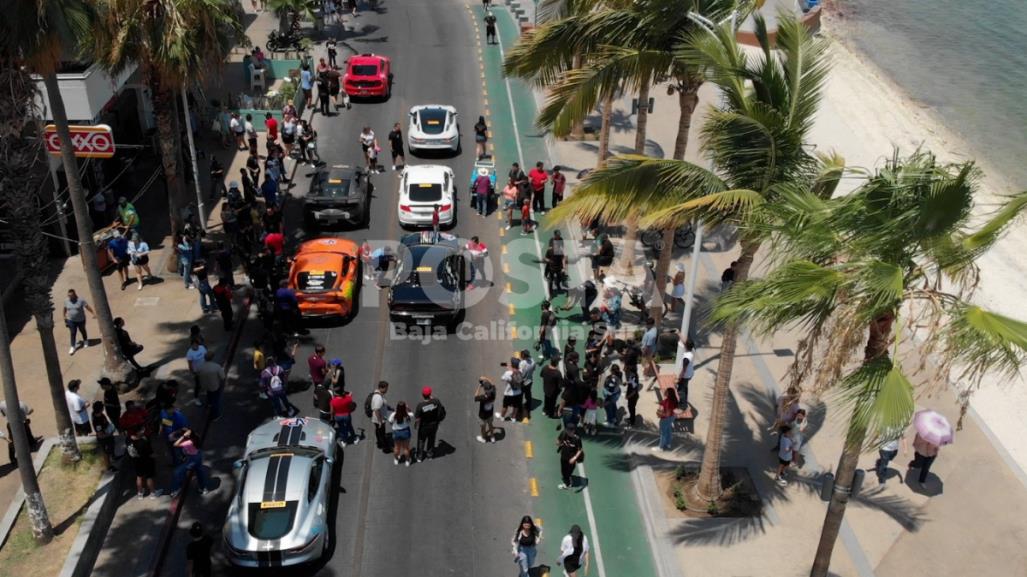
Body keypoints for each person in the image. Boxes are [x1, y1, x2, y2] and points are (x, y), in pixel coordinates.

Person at [168, 428, 212, 497]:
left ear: (187, 436)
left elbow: (175, 444)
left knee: (177, 472)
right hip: (197, 455)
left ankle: (176, 489)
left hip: (192, 459)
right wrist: (186, 431)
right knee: (199, 472)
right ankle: (203, 488)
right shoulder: (195, 437)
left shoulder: (188, 442)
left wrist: (183, 437)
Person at [414, 386, 446, 461]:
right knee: (431, 439)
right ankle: (429, 455)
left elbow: (417, 418)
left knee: (421, 440)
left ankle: (419, 456)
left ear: (422, 395)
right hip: (434, 425)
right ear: (430, 394)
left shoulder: (420, 405)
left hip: (424, 426)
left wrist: (416, 425)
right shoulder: (436, 401)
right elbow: (440, 410)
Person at [126, 426, 157, 498]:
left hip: (136, 461)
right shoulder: (144, 440)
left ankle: (140, 494)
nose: (144, 431)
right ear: (137, 432)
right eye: (142, 430)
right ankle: (152, 493)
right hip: (146, 461)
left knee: (139, 477)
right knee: (149, 477)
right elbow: (150, 453)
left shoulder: (128, 439)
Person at [195, 350, 226, 420]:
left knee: (209, 394)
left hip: (205, 385)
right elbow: (223, 377)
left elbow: (197, 375)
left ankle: (209, 404)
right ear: (212, 358)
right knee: (216, 401)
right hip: (214, 386)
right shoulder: (216, 367)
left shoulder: (200, 366)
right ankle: (215, 415)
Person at [64, 289, 95, 355]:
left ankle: (85, 340)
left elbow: (87, 307)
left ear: (75, 294)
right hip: (71, 320)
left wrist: (93, 313)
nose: (70, 297)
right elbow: (64, 309)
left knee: (82, 330)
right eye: (69, 296)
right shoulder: (66, 301)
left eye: (71, 296)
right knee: (72, 332)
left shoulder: (81, 300)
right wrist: (64, 317)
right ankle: (73, 346)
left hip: (81, 320)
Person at [556, 421, 584, 489]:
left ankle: (567, 484)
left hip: (571, 458)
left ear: (573, 431)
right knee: (563, 470)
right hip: (563, 455)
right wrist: (558, 443)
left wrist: (574, 458)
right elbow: (558, 440)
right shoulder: (564, 433)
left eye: (569, 431)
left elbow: (580, 450)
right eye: (567, 430)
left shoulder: (577, 439)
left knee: (568, 471)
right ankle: (567, 478)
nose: (568, 433)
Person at [92, 401, 118, 472]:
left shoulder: (100, 414)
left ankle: (114, 457)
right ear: (100, 409)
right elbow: (100, 435)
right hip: (104, 439)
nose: (103, 408)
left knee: (111, 448)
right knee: (106, 453)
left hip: (108, 435)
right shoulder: (97, 421)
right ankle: (109, 466)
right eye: (102, 407)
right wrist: (110, 434)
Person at [654, 386, 678, 452]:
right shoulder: (673, 400)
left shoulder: (668, 402)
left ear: (669, 393)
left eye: (666, 391)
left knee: (663, 433)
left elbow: (667, 414)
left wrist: (659, 414)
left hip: (666, 419)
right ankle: (668, 444)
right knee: (668, 430)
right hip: (672, 417)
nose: (664, 392)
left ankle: (660, 447)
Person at [389, 401, 413, 466]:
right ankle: (407, 461)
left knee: (396, 447)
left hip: (396, 432)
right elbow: (412, 414)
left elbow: (390, 422)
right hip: (405, 432)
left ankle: (396, 459)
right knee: (406, 448)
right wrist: (408, 408)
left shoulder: (394, 414)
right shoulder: (407, 415)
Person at [474, 377, 497, 443]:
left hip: (483, 416)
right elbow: (493, 384)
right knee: (490, 425)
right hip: (490, 414)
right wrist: (486, 378)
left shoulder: (483, 397)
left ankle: (483, 438)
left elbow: (475, 397)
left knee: (483, 427)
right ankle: (492, 437)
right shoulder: (493, 393)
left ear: (485, 390)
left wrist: (479, 387)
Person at [370, 380, 391, 451]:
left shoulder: (378, 394)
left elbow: (381, 405)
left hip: (378, 418)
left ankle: (379, 443)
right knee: (381, 433)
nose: (387, 390)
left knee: (378, 431)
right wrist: (380, 421)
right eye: (386, 388)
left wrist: (389, 408)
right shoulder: (378, 397)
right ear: (382, 388)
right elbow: (376, 410)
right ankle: (385, 447)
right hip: (379, 419)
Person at [517, 351, 536, 422]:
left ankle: (519, 410)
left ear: (524, 356)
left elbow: (520, 374)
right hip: (529, 381)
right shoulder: (533, 361)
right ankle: (528, 406)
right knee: (528, 394)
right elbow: (533, 369)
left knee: (520, 395)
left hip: (522, 382)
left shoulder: (522, 363)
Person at [677, 338, 695, 408]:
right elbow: (685, 343)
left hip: (685, 375)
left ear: (686, 346)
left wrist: (679, 378)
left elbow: (684, 370)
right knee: (685, 388)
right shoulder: (692, 351)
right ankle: (684, 402)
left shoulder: (686, 358)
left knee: (681, 390)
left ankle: (683, 405)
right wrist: (678, 333)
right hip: (689, 374)